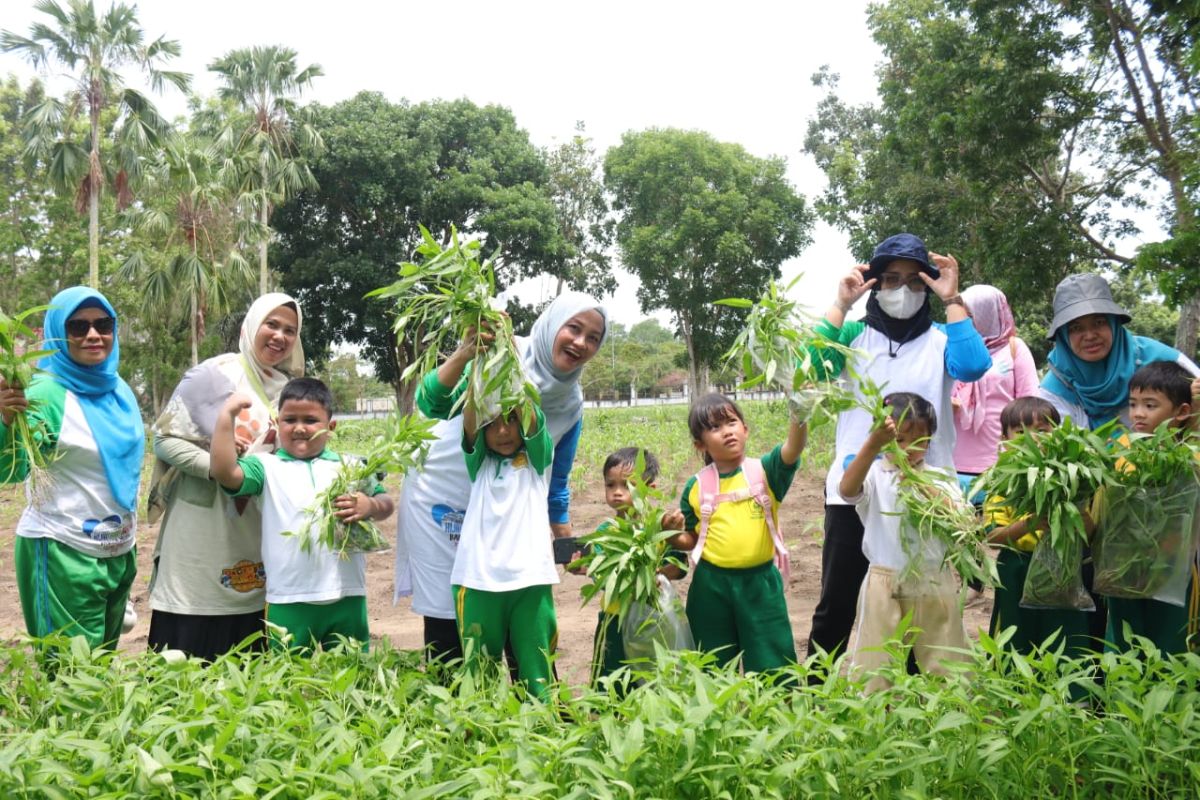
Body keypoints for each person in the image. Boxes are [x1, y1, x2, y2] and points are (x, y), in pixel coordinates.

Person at [805, 233, 991, 665]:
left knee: (918, 599)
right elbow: (811, 367)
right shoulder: (852, 334)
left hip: (925, 493)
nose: (902, 290)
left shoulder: (945, 339)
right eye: (891, 279)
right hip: (854, 490)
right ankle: (817, 690)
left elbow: (974, 366)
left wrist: (953, 298)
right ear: (876, 284)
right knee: (838, 600)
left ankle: (909, 697)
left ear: (927, 287)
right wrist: (841, 303)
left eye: (914, 281)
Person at [395, 292, 607, 663]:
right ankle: (455, 706)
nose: (581, 342)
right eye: (574, 328)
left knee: (516, 605)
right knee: (450, 614)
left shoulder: (570, 403)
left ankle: (531, 706)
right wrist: (465, 353)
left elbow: (555, 483)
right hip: (440, 496)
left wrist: (566, 543)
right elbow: (433, 405)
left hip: (503, 504)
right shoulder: (500, 356)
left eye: (593, 338)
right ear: (552, 325)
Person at [145, 293, 304, 660]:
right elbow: (165, 441)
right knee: (190, 639)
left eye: (290, 330)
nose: (279, 336)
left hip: (254, 529)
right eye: (272, 324)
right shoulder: (214, 375)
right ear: (251, 326)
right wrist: (221, 471)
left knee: (247, 642)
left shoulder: (289, 391)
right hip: (202, 527)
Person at [0, 287, 144, 649]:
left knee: (101, 670)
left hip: (117, 550)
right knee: (73, 677)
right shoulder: (45, 393)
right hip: (63, 549)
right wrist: (4, 421)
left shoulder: (119, 388)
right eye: (77, 327)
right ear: (56, 335)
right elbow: (10, 470)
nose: (93, 335)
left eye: (103, 324)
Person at [209, 377, 393, 652]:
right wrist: (227, 417)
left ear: (330, 427)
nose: (299, 428)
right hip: (288, 599)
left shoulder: (350, 466)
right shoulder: (265, 467)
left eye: (310, 420)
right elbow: (225, 472)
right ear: (277, 422)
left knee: (353, 678)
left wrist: (370, 506)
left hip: (347, 595)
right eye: (289, 420)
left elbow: (386, 502)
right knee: (288, 682)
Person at [839, 392, 970, 693]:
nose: (908, 449)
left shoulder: (940, 479)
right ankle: (873, 717)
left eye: (918, 441)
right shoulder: (874, 476)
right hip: (884, 579)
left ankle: (955, 718)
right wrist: (871, 445)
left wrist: (926, 490)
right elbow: (847, 490)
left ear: (930, 440)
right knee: (875, 663)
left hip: (934, 581)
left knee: (946, 659)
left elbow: (962, 523)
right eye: (898, 440)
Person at [679, 392, 807, 673]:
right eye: (714, 427)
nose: (726, 432)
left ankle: (776, 713)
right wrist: (672, 532)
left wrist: (801, 407)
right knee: (711, 661)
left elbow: (793, 449)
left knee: (773, 660)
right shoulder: (696, 486)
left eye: (731, 422)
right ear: (700, 444)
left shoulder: (766, 472)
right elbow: (690, 537)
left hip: (760, 584)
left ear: (745, 429)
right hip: (710, 586)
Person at [452, 394, 558, 699]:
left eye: (511, 420)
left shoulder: (538, 460)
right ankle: (480, 739)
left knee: (537, 672)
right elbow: (470, 420)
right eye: (492, 424)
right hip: (478, 582)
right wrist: (479, 368)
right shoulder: (479, 463)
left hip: (531, 582)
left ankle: (542, 735)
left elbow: (533, 418)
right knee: (478, 673)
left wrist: (510, 371)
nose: (503, 432)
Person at [1098, 361, 1199, 654]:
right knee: (1122, 643)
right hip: (1124, 568)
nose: (1138, 413)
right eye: (1133, 404)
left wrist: (1194, 422)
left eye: (1150, 405)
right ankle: (1117, 698)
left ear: (1181, 412)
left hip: (1174, 569)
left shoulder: (1188, 450)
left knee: (1171, 645)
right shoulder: (1121, 446)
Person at [950, 285, 1038, 605]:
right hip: (958, 457)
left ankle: (1010, 584)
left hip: (1000, 459)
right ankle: (973, 582)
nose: (967, 320)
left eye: (973, 314)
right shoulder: (955, 347)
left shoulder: (1014, 349)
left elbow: (1031, 401)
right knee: (960, 527)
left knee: (1000, 525)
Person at [984, 397, 1091, 657]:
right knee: (1015, 635)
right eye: (1021, 433)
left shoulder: (1071, 478)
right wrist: (1030, 524)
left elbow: (1089, 531)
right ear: (1005, 439)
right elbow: (994, 537)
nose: (1033, 440)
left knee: (1065, 636)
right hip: (1017, 568)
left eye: (1042, 431)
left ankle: (1069, 693)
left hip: (1062, 569)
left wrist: (1076, 512)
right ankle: (1013, 690)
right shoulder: (1003, 480)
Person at [1039, 272, 1199, 430]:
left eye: (1099, 322)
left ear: (1114, 323)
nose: (1089, 336)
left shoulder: (1161, 359)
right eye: (1076, 328)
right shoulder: (1054, 390)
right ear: (1063, 336)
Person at [590, 447, 687, 682]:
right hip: (614, 619)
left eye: (628, 485)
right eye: (610, 485)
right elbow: (603, 578)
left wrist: (659, 566)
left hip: (654, 618)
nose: (617, 493)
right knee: (610, 679)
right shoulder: (605, 532)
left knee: (656, 676)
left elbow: (679, 568)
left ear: (649, 489)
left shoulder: (658, 528)